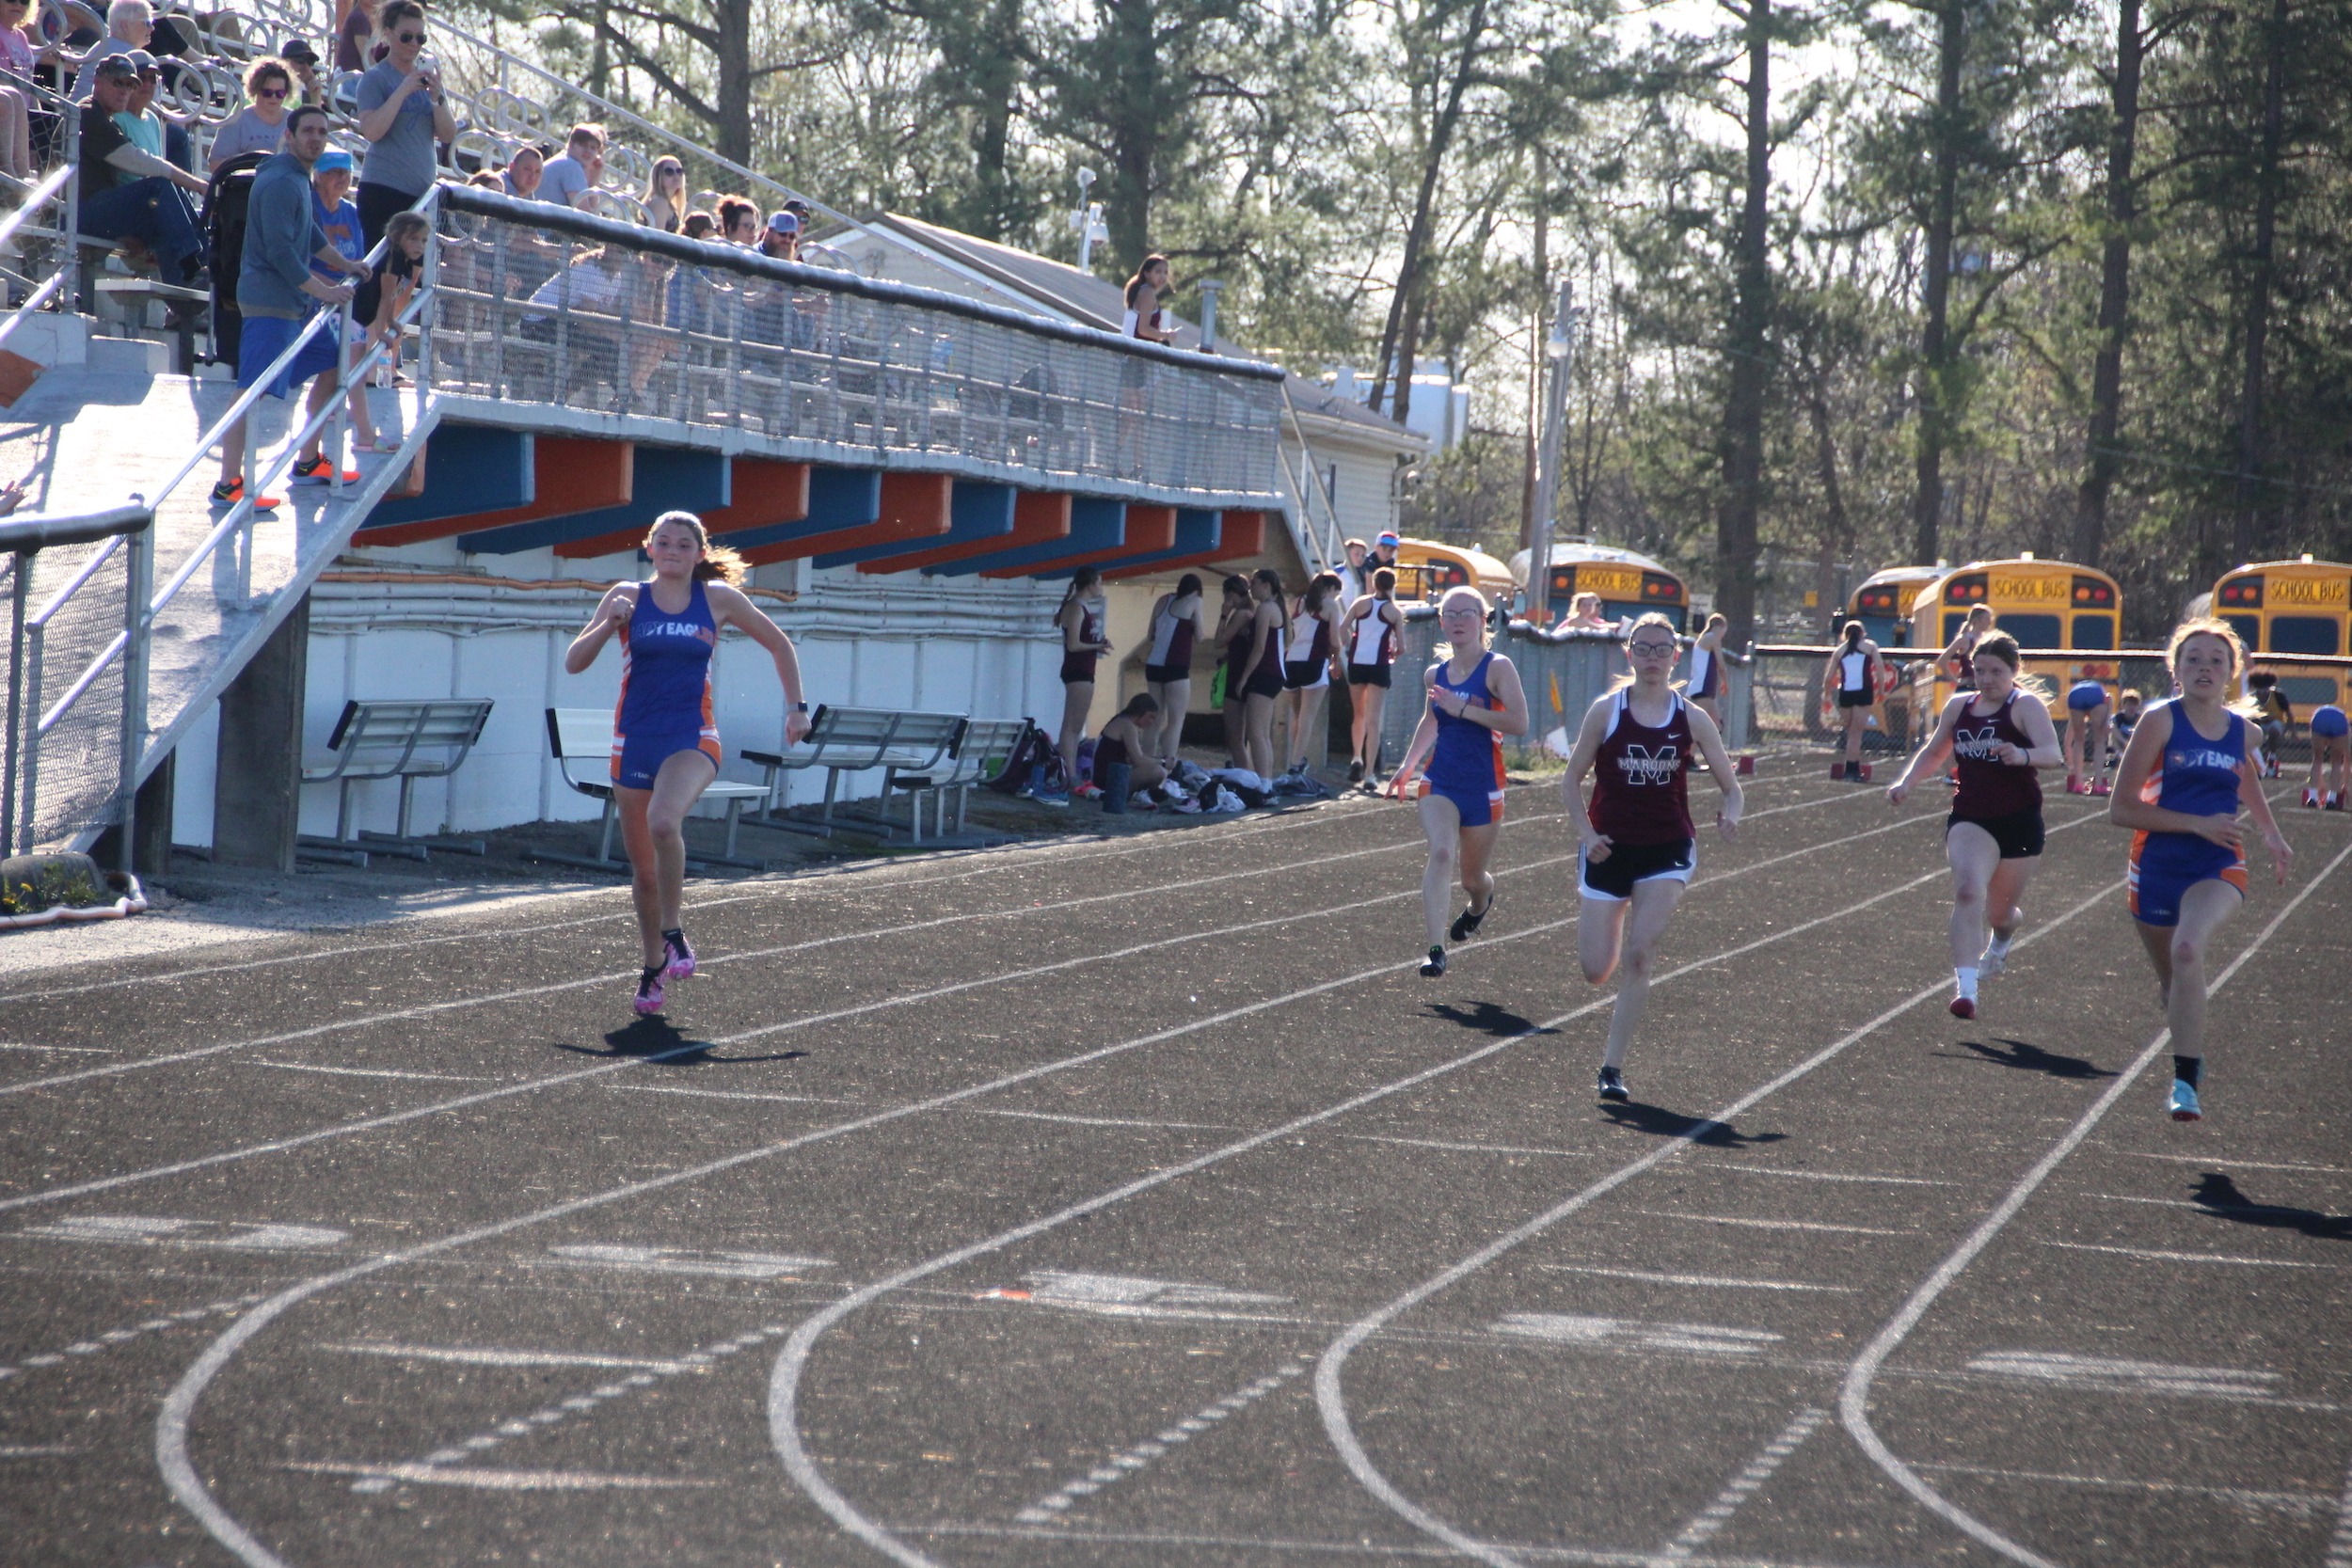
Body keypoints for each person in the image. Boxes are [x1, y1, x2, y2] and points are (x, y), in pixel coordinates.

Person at [564, 512, 810, 1015]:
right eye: (664, 542)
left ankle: (674, 932)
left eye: (683, 543)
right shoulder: (625, 596)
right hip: (634, 740)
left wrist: (796, 708)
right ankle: (653, 967)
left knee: (663, 822)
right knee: (644, 874)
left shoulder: (718, 599)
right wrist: (609, 625)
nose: (673, 550)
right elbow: (574, 662)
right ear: (649, 548)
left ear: (700, 554)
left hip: (692, 738)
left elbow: (779, 644)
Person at [2107, 620, 2292, 1120]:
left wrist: (2270, 832)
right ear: (2176, 670)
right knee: (2172, 982)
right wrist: (2195, 823)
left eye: (2216, 660)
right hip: (2156, 864)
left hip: (2218, 862)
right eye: (2193, 659)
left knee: (2189, 949)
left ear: (2232, 672)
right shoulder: (2158, 723)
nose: (2204, 668)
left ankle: (2185, 1081)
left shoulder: (2246, 731)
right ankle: (2187, 1039)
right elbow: (2121, 809)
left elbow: (2241, 771)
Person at [1559, 610, 1742, 1100]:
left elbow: (1732, 788)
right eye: (1643, 649)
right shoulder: (1606, 711)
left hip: (1667, 847)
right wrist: (1586, 835)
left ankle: (1612, 1068)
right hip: (1608, 849)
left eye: (1662, 649)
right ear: (1629, 654)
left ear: (1676, 656)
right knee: (1595, 970)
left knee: (1640, 955)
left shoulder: (1693, 718)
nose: (1653, 657)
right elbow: (1570, 780)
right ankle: (1613, 915)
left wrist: (1731, 814)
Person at [1886, 632, 2062, 1021]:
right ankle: (1966, 990)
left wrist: (2022, 755)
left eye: (1996, 671)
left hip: (2019, 820)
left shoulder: (2025, 706)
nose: (1987, 679)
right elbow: (1935, 751)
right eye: (1980, 671)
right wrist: (1906, 782)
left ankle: (2001, 939)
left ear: (2014, 671)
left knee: (2001, 913)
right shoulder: (1959, 706)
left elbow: (2053, 754)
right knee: (1968, 892)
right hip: (1970, 817)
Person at [213, 103, 373, 506]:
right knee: (251, 390)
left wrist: (347, 265)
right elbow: (281, 252)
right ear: (289, 136)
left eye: (322, 132)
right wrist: (325, 291)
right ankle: (228, 484)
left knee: (336, 357)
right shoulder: (283, 181)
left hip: (294, 305)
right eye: (308, 131)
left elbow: (311, 233)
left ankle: (307, 461)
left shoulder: (298, 177)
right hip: (270, 303)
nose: (316, 138)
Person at [1393, 586, 1530, 979]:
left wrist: (1465, 709)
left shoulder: (1498, 667)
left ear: (1483, 620)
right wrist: (1408, 765)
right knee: (1440, 852)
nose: (1457, 621)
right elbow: (1432, 719)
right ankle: (1435, 951)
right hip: (1440, 781)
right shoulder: (1434, 674)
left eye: (1466, 614)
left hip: (1484, 787)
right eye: (1449, 615)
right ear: (1440, 622)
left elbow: (1519, 723)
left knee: (1473, 879)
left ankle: (1479, 904)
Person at [77, 55, 207, 286]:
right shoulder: (87, 114)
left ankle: (191, 284)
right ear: (97, 82)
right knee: (158, 187)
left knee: (167, 205)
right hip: (75, 212)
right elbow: (138, 161)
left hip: (97, 209)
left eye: (130, 85)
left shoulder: (106, 118)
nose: (124, 91)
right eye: (118, 83)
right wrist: (198, 185)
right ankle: (191, 266)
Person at [353, 0, 454, 259]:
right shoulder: (375, 78)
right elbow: (372, 132)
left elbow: (448, 135)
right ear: (388, 33)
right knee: (382, 272)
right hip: (383, 189)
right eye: (406, 36)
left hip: (422, 195)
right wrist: (403, 90)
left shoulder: (428, 79)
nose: (414, 44)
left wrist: (437, 97)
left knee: (417, 276)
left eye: (421, 38)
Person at [307, 148, 386, 453]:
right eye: (333, 172)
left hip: (343, 297)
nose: (341, 178)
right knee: (353, 347)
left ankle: (337, 415)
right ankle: (365, 434)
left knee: (352, 346)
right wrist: (330, 289)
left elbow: (358, 261)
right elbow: (299, 262)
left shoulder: (350, 212)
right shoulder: (308, 206)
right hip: (311, 293)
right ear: (317, 175)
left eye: (346, 172)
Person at [1047, 566, 1111, 804]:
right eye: (1099, 582)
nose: (1101, 587)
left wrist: (1097, 643)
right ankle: (1070, 774)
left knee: (1076, 726)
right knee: (1071, 726)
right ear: (1091, 584)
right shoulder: (1075, 608)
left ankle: (1070, 773)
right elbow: (1073, 645)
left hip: (1085, 670)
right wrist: (1096, 646)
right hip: (1077, 670)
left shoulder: (1082, 608)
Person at [1344, 565, 1405, 785]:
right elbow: (1402, 647)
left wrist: (1347, 646)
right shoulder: (1394, 612)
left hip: (1356, 662)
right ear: (1393, 586)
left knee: (1358, 714)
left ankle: (1356, 757)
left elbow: (1342, 627)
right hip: (1378, 665)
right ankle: (1370, 773)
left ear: (1374, 583)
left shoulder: (1360, 603)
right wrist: (1393, 653)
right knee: (1373, 719)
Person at [1141, 573, 1206, 772]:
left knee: (1153, 719)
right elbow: (1200, 636)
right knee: (1176, 720)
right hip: (1176, 665)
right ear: (1196, 590)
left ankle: (1146, 764)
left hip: (1154, 664)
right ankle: (1168, 767)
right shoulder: (1195, 601)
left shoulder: (1162, 600)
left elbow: (1150, 635)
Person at [1281, 571, 1343, 780]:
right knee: (1307, 717)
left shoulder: (1295, 603)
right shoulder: (1329, 605)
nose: (1335, 598)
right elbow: (1334, 641)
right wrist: (1335, 661)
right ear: (1331, 589)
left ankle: (1295, 760)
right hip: (1314, 661)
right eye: (1336, 593)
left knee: (1297, 716)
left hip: (1291, 661)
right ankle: (1295, 764)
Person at [364, 208, 428, 386]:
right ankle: (369, 373)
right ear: (398, 237)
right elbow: (386, 296)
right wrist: (380, 331)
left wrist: (391, 321)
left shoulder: (404, 260)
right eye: (413, 239)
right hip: (360, 313)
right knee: (346, 371)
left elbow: (393, 294)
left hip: (370, 310)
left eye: (424, 240)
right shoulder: (393, 259)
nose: (420, 246)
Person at [1236, 568, 1289, 782]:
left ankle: (1264, 782)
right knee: (1262, 733)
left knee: (1255, 732)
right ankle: (1266, 781)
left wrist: (1244, 678)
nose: (1251, 587)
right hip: (1274, 673)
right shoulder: (1274, 608)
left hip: (1265, 672)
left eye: (1254, 583)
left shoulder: (1266, 608)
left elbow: (1259, 647)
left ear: (1266, 585)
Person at [207, 55, 294, 171]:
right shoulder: (237, 120)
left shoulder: (296, 121)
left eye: (280, 93)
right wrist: (251, 163)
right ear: (255, 89)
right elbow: (215, 165)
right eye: (267, 92)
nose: (274, 97)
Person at [1823, 620, 1883, 783]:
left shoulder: (1839, 651)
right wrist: (1881, 690)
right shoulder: (1870, 646)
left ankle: (1852, 769)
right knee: (1856, 734)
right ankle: (1851, 771)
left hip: (1846, 694)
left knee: (1851, 733)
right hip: (1864, 692)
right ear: (1862, 633)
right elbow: (1879, 668)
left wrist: (1827, 697)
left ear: (1845, 634)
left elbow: (1828, 678)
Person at [1092, 693, 1169, 802]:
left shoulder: (1120, 720)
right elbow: (1138, 760)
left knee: (1156, 768)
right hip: (1109, 782)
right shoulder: (1127, 726)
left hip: (1104, 778)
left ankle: (1151, 792)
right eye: (1150, 717)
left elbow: (1132, 757)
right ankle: (1147, 792)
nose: (1151, 722)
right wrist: (1163, 762)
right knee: (1159, 771)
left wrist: (1158, 758)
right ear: (1141, 711)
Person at [1213, 573, 1254, 768]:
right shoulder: (1251, 613)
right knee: (1240, 736)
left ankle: (1244, 773)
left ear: (1231, 595)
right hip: (1239, 669)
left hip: (1237, 675)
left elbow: (1218, 641)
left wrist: (1223, 615)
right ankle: (1243, 771)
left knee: (1235, 736)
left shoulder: (1241, 614)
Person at [65, 0, 146, 99]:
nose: (152, 28)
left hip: (78, 105)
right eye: (147, 23)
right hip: (92, 107)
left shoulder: (102, 46)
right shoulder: (131, 55)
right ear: (126, 25)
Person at [2062, 678, 2112, 796]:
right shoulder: (2103, 694)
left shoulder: (2078, 689)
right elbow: (2109, 700)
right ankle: (2098, 785)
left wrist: (2071, 767)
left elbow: (2068, 740)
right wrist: (2107, 721)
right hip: (2095, 696)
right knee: (2099, 741)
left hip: (2074, 696)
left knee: (2079, 740)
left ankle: (2078, 784)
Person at [539, 122, 605, 211]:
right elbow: (585, 214)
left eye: (593, 148)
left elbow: (589, 211)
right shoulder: (571, 166)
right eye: (583, 145)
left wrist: (595, 176)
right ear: (571, 144)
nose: (588, 151)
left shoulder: (564, 160)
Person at [1685, 611, 1729, 727]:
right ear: (1721, 627)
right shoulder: (1713, 638)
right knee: (1698, 725)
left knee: (1717, 725)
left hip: (1704, 688)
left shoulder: (1703, 638)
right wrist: (1725, 682)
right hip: (1703, 687)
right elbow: (1721, 666)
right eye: (1724, 630)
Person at [2246, 671, 2292, 778]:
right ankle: (2257, 766)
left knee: (2274, 728)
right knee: (2253, 733)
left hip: (2276, 723)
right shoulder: (2251, 698)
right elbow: (2248, 718)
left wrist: (2292, 732)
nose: (2262, 691)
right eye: (2259, 688)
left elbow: (2289, 714)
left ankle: (2272, 760)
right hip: (2259, 725)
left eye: (2265, 688)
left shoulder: (2278, 696)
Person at [1941, 603, 1995, 692]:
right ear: (1977, 620)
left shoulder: (1988, 639)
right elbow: (1942, 661)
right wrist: (1955, 681)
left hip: (1984, 688)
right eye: (1987, 619)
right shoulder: (1964, 639)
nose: (1990, 622)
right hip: (1968, 688)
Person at [2304, 703, 2348, 810]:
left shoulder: (2320, 714)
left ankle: (2312, 797)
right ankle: (2332, 799)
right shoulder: (2345, 725)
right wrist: (2346, 784)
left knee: (2317, 760)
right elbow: (2347, 760)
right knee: (2336, 762)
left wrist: (2320, 784)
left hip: (2320, 718)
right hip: (2339, 721)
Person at [641, 153, 685, 231]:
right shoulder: (660, 202)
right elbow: (658, 236)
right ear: (658, 176)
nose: (676, 175)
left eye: (679, 171)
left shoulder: (666, 202)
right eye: (669, 172)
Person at [335, 0, 380, 72]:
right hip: (349, 76)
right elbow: (366, 57)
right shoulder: (358, 18)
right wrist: (381, 76)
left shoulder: (373, 20)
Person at [278, 36, 324, 105]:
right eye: (300, 60)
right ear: (284, 62)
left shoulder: (305, 92)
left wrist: (315, 97)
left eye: (310, 62)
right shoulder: (272, 89)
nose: (306, 67)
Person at [1337, 537, 1370, 606]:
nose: (1360, 558)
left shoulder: (1363, 574)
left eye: (1363, 555)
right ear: (1347, 553)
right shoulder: (1339, 571)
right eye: (1357, 554)